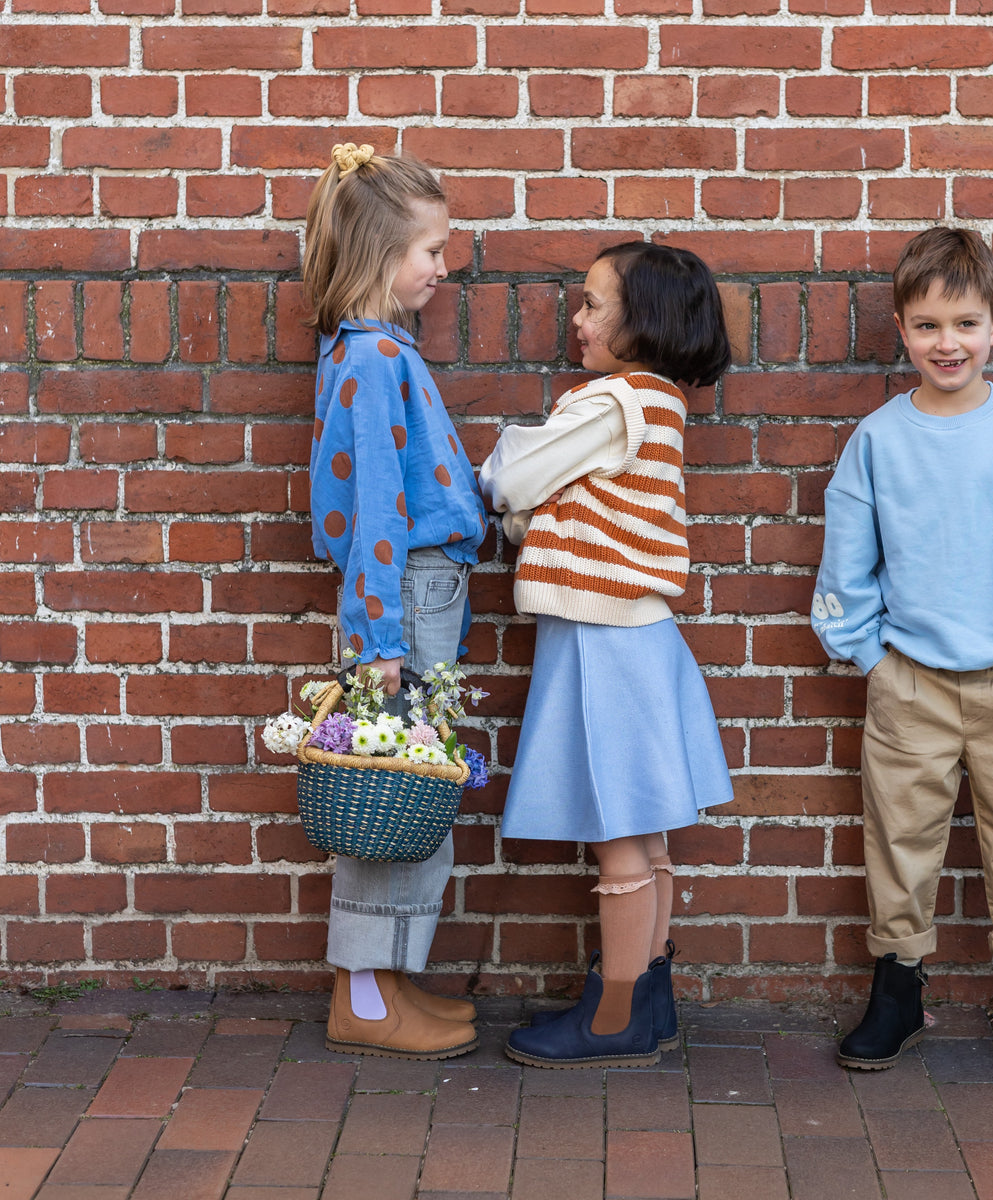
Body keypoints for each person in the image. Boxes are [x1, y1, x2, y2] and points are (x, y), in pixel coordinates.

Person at [811, 226, 993, 1077]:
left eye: (967, 323)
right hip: (911, 682)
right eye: (930, 326)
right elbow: (846, 558)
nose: (950, 343)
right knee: (900, 838)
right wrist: (867, 655)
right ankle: (897, 989)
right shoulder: (879, 440)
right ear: (903, 331)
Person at [479, 242, 734, 1068]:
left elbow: (510, 475)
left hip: (602, 637)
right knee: (646, 833)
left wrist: (521, 511)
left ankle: (613, 1016)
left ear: (645, 321)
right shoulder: (659, 404)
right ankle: (646, 996)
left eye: (593, 304)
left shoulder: (610, 402)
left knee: (617, 837)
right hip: (639, 634)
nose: (578, 320)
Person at [303, 143, 488, 1060]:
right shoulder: (376, 357)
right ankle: (366, 998)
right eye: (431, 250)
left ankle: (388, 979)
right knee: (393, 784)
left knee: (407, 789)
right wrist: (380, 639)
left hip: (415, 594)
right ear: (382, 256)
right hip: (404, 601)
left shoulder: (374, 351)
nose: (443, 266)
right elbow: (378, 504)